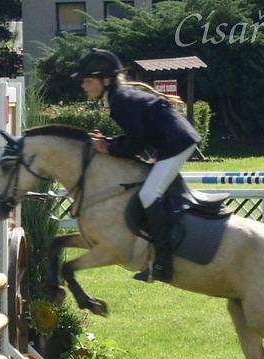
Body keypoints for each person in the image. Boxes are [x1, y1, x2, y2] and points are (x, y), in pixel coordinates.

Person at [72, 48, 201, 283]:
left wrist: (108, 147)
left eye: (88, 81)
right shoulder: (119, 97)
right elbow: (135, 138)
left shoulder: (121, 100)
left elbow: (136, 144)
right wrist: (109, 143)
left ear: (106, 80)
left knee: (150, 194)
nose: (84, 85)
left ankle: (162, 263)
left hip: (176, 144)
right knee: (149, 191)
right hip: (170, 142)